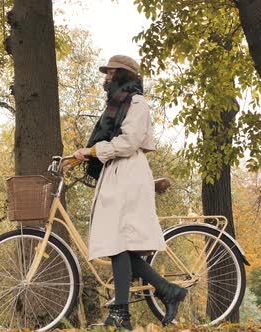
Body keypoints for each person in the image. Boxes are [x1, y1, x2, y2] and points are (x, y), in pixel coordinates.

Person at [70, 55, 187, 330]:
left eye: (110, 73)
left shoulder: (136, 103)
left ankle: (122, 312)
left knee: (119, 243)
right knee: (117, 244)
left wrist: (93, 151)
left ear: (123, 74)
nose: (106, 78)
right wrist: (81, 156)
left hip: (129, 175)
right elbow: (109, 143)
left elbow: (128, 142)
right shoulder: (116, 105)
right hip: (116, 174)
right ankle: (165, 292)